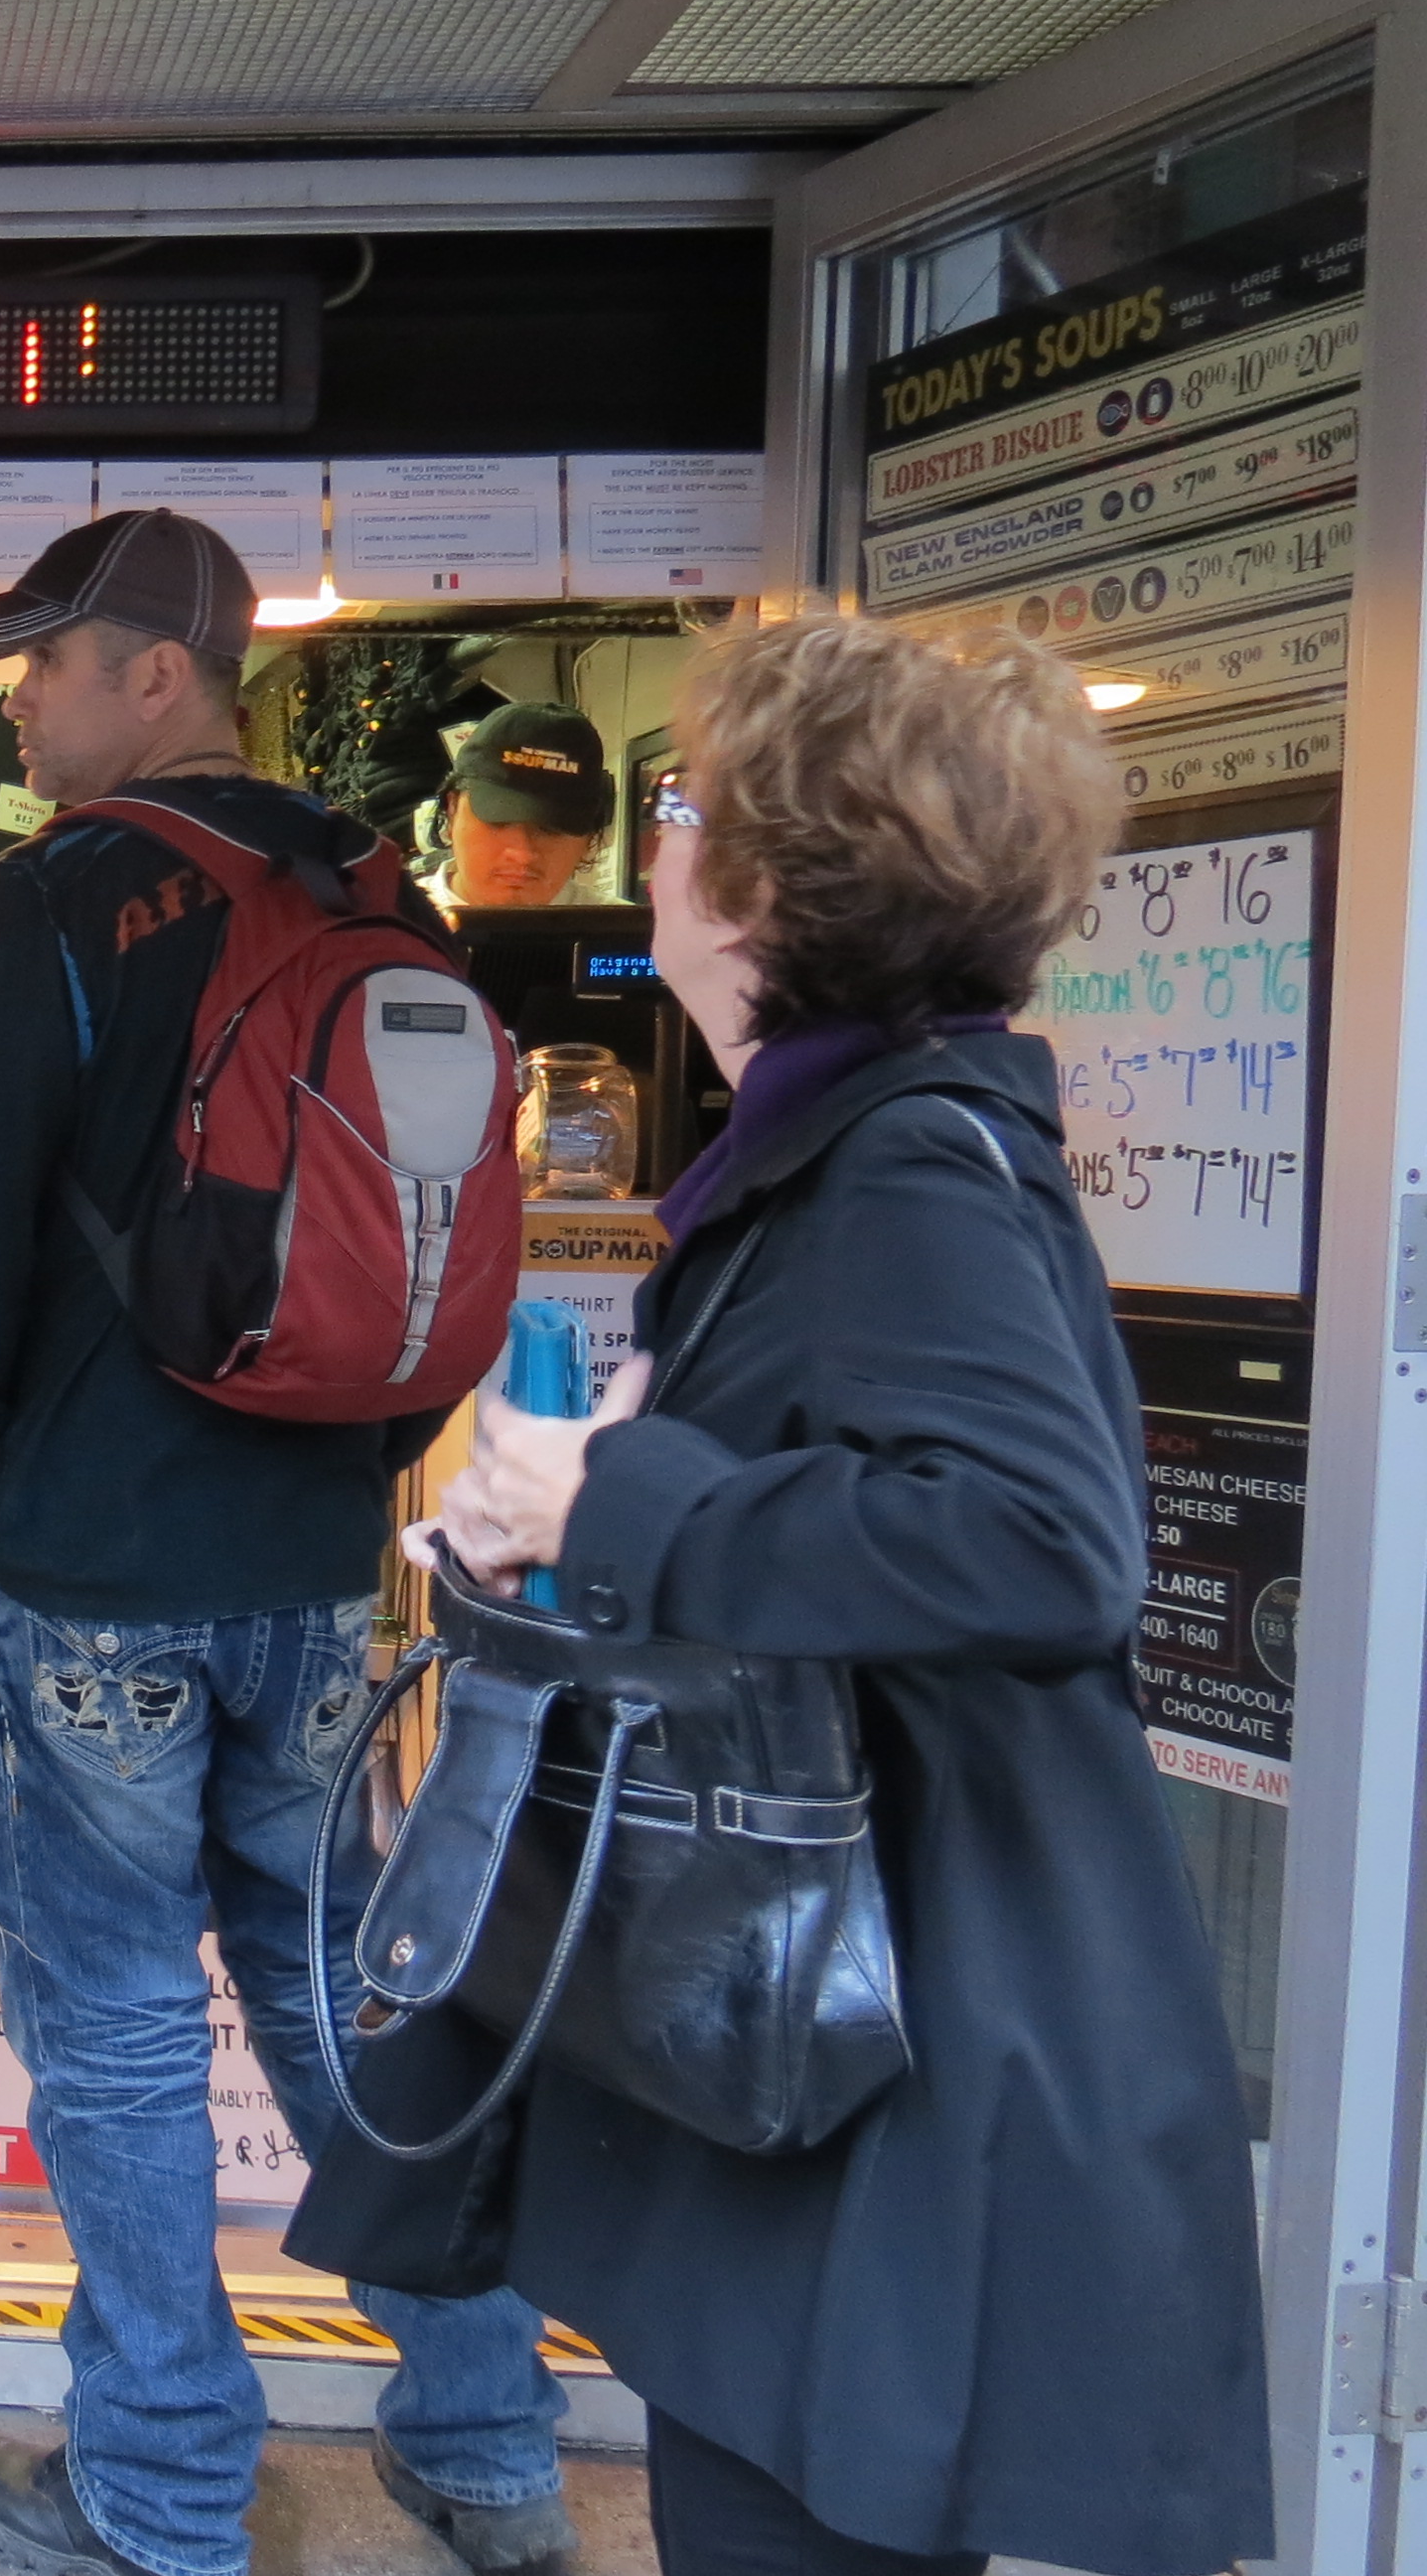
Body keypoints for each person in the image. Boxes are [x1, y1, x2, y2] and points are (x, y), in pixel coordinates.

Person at [415, 616, 1270, 2576]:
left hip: (883, 2034)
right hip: (827, 2011)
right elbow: (838, 1509)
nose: (651, 842)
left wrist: (627, 1496)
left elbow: (1037, 1539)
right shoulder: (851, 1140)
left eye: (678, 804)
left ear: (767, 882)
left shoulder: (902, 1162)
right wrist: (567, 1518)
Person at [0, 510, 572, 2576]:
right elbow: (427, 1249)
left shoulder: (51, 898)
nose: (17, 700)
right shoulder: (376, 893)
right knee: (333, 1989)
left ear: (159, 674)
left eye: (45, 661)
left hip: (87, 1564)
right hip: (308, 1557)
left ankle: (163, 2485)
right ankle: (485, 2436)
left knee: (110, 2032)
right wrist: (348, 1472)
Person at [430, 700, 615, 910]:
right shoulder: (400, 924)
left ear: (589, 836)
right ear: (452, 810)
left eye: (551, 829)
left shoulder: (633, 929)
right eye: (498, 822)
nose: (522, 854)